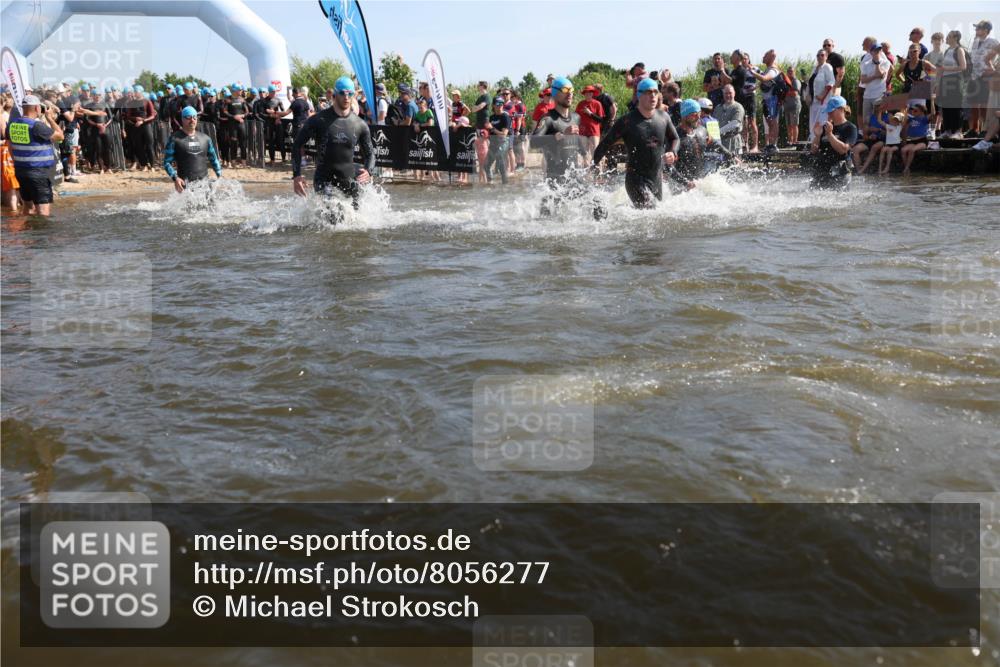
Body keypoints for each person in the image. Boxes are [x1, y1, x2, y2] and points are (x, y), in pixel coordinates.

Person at [592, 78, 679, 208]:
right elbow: (605, 144)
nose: (653, 96)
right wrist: (592, 168)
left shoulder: (664, 117)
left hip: (656, 178)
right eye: (649, 92)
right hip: (635, 179)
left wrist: (673, 152)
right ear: (639, 95)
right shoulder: (627, 121)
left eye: (656, 92)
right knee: (651, 211)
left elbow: (675, 138)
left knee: (655, 215)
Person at [292, 77, 374, 214]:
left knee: (358, 221)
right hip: (324, 179)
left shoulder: (360, 124)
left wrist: (368, 171)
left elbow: (370, 154)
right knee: (335, 215)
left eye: (350, 94)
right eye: (343, 93)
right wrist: (296, 175)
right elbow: (297, 145)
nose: (346, 97)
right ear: (335, 95)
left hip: (348, 177)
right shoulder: (318, 120)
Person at [8, 94, 64, 216]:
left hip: (21, 171)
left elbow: (10, 146)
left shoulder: (12, 125)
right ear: (37, 108)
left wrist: (18, 162)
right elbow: (60, 136)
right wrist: (50, 118)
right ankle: (42, 235)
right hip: (38, 173)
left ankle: (28, 233)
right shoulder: (37, 126)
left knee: (28, 208)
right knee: (43, 211)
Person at [669, 97, 734, 190]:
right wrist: (685, 183)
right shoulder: (675, 137)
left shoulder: (702, 130)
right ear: (685, 116)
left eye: (699, 114)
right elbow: (668, 167)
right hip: (680, 186)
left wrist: (730, 155)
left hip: (700, 182)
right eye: (695, 115)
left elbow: (715, 144)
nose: (698, 117)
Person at [163, 106, 222, 192]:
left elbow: (214, 159)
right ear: (182, 119)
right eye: (188, 117)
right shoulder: (174, 139)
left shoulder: (205, 138)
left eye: (194, 117)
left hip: (205, 185)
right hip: (186, 187)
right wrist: (175, 178)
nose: (192, 120)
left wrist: (219, 176)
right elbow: (167, 162)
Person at [808, 95, 856, 188]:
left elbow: (844, 149)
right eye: (828, 111)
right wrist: (817, 136)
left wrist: (830, 135)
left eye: (831, 111)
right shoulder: (826, 127)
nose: (829, 114)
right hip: (822, 169)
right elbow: (813, 150)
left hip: (840, 171)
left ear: (841, 109)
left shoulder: (850, 128)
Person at [969, 21, 999, 137]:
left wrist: (994, 69)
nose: (976, 30)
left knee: (985, 104)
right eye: (976, 28)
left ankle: (985, 129)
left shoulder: (993, 42)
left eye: (978, 28)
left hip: (986, 76)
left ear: (986, 30)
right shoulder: (975, 42)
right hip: (973, 76)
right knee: (974, 103)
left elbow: (995, 55)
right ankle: (974, 129)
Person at [936, 30, 967, 138]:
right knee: (946, 106)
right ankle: (948, 130)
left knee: (956, 106)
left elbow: (963, 66)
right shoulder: (947, 50)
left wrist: (946, 68)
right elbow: (941, 69)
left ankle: (958, 131)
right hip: (945, 80)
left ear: (955, 38)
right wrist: (938, 84)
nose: (947, 38)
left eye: (949, 36)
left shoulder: (959, 50)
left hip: (956, 80)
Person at [753, 49, 782, 153]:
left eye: (765, 55)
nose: (763, 57)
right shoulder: (768, 69)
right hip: (767, 100)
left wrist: (753, 73)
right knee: (770, 123)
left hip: (773, 99)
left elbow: (765, 79)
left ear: (771, 58)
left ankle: (774, 145)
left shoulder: (773, 70)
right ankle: (770, 144)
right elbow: (765, 83)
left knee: (773, 122)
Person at [860, 43, 891, 134]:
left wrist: (877, 63)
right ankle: (867, 138)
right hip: (867, 96)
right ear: (871, 52)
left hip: (879, 95)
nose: (878, 52)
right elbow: (863, 80)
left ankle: (879, 137)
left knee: (879, 119)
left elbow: (881, 75)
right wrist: (874, 76)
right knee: (866, 120)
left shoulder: (885, 62)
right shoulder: (866, 64)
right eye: (875, 50)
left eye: (879, 50)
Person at [807, 49, 836, 140]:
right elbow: (810, 83)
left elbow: (831, 82)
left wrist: (822, 96)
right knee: (813, 123)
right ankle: (813, 143)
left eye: (822, 55)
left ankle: (822, 143)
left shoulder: (827, 67)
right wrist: (807, 95)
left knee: (822, 122)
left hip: (824, 101)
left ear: (826, 57)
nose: (820, 57)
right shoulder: (814, 68)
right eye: (818, 55)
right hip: (813, 101)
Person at [483, 97, 510, 185]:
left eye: (502, 104)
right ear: (494, 105)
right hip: (493, 142)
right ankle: (490, 182)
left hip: (503, 141)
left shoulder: (505, 116)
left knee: (499, 157)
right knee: (486, 165)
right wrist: (485, 133)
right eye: (498, 104)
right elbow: (489, 132)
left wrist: (492, 128)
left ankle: (505, 183)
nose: (500, 106)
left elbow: (504, 134)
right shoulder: (492, 117)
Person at [854, 107, 888, 175]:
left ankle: (862, 169)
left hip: (882, 140)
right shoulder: (869, 118)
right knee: (856, 149)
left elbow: (891, 132)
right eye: (877, 106)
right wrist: (869, 136)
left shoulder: (888, 117)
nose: (879, 108)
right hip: (870, 140)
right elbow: (864, 136)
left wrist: (879, 130)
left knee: (874, 147)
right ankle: (858, 170)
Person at [899, 103, 930, 176]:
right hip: (912, 141)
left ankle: (906, 168)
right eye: (912, 111)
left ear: (921, 111)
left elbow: (933, 113)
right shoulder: (910, 119)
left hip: (922, 140)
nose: (913, 112)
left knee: (912, 150)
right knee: (903, 150)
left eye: (915, 111)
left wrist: (931, 101)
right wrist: (904, 109)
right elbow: (904, 117)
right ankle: (907, 168)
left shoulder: (924, 118)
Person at [714, 84, 745, 154]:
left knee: (735, 164)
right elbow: (713, 123)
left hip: (734, 143)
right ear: (723, 94)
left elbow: (735, 124)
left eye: (730, 93)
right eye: (726, 93)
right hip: (720, 143)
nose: (728, 95)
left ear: (734, 93)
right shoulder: (718, 108)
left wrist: (718, 132)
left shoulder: (738, 107)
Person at [575, 85, 604, 161]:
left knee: (595, 153)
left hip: (594, 131)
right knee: (584, 154)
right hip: (582, 131)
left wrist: (590, 113)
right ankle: (585, 171)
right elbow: (575, 117)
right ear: (584, 94)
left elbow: (600, 119)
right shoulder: (580, 104)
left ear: (593, 93)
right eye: (586, 93)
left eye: (590, 92)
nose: (588, 94)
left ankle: (598, 171)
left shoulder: (597, 104)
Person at [471, 81, 490, 183]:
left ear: (482, 86)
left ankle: (486, 178)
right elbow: (473, 109)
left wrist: (477, 108)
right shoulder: (479, 97)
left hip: (484, 124)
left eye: (479, 85)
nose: (477, 87)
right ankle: (481, 178)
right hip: (478, 124)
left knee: (484, 148)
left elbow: (480, 106)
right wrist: (476, 108)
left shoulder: (487, 96)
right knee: (479, 149)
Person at [782, 67, 802, 145]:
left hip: (794, 105)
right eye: (788, 71)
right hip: (787, 106)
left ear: (794, 72)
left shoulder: (795, 81)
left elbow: (795, 93)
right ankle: (790, 141)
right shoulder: (786, 81)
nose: (790, 72)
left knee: (794, 124)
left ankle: (795, 141)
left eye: (791, 71)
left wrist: (785, 92)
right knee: (788, 125)